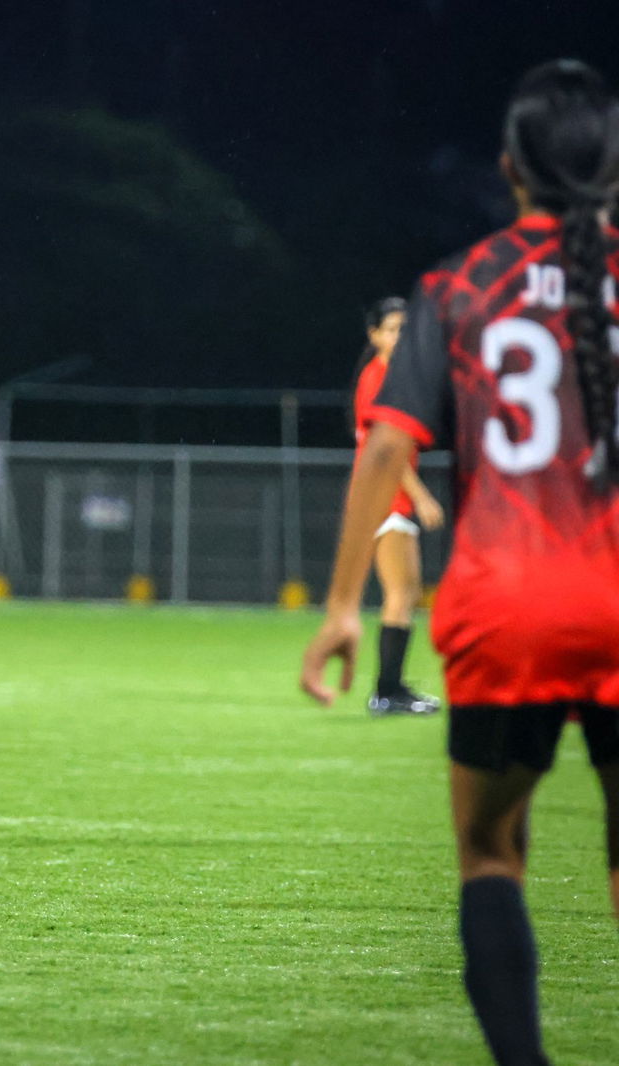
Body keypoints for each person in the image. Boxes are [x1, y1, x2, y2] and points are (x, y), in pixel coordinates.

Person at [301, 60, 619, 1066]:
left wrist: (342, 605)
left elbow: (387, 448)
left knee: (491, 852)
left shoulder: (455, 287)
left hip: (507, 604)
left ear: (507, 170)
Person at [350, 296, 446, 715]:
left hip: (388, 495)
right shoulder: (378, 378)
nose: (400, 337)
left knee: (405, 593)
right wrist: (422, 495)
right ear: (374, 335)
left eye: (405, 329)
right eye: (391, 329)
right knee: (399, 593)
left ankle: (392, 688)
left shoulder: (395, 377)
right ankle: (387, 692)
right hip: (384, 496)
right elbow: (385, 449)